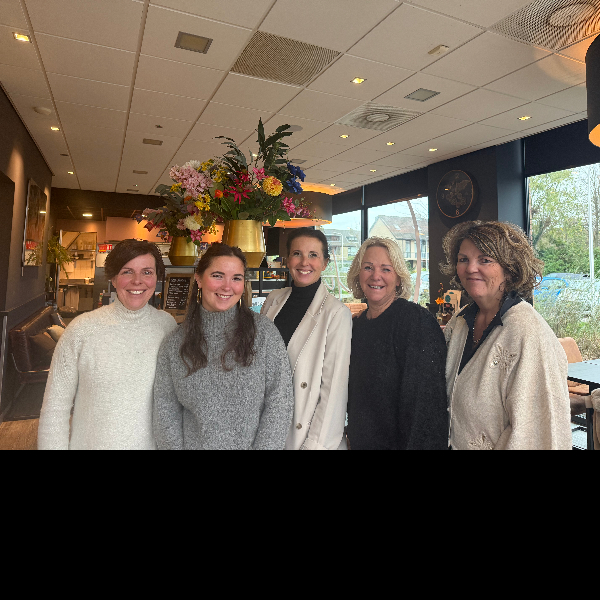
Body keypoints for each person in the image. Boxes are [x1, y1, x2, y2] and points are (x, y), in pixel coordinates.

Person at [440, 220, 572, 450]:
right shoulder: (460, 322)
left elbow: (536, 434)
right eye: (463, 259)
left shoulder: (528, 334)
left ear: (509, 268)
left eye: (485, 260)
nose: (471, 268)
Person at [38, 239, 177, 450]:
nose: (137, 281)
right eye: (127, 272)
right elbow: (55, 408)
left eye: (147, 272)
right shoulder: (82, 329)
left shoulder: (167, 326)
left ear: (156, 278)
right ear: (113, 278)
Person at [153, 243, 294, 450]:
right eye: (217, 276)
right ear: (199, 279)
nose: (227, 287)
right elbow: (166, 412)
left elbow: (280, 402)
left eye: (236, 278)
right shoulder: (175, 343)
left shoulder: (264, 333)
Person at [345, 237, 448, 450]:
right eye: (368, 267)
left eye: (386, 269)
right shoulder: (356, 327)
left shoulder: (415, 323)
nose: (376, 276)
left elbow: (426, 411)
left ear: (399, 278)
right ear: (358, 274)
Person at [261, 228, 352, 450]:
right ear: (287, 260)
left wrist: (314, 445)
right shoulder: (273, 300)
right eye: (297, 254)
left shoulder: (336, 313)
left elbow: (334, 391)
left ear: (325, 263)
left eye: (313, 255)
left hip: (307, 434)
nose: (304, 262)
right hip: (269, 428)